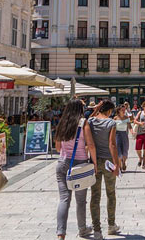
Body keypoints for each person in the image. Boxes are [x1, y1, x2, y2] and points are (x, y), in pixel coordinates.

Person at [53, 99, 96, 239]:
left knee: (64, 199)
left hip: (62, 163)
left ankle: (61, 233)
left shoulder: (62, 123)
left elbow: (58, 148)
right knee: (80, 200)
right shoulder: (83, 123)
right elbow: (91, 145)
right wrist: (94, 163)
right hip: (80, 164)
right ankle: (82, 229)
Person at [88, 100, 120, 239]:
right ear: (109, 111)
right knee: (110, 193)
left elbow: (86, 121)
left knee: (95, 195)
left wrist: (96, 109)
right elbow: (112, 144)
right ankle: (111, 225)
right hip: (108, 162)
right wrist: (117, 164)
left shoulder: (91, 121)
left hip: (94, 161)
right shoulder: (111, 123)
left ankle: (97, 229)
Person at [113, 105, 130, 172]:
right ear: (118, 111)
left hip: (124, 135)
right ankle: (119, 166)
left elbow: (129, 126)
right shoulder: (115, 118)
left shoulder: (126, 118)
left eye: (124, 110)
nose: (123, 111)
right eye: (122, 110)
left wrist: (132, 131)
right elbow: (113, 128)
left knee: (125, 151)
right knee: (119, 152)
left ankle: (124, 162)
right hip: (117, 135)